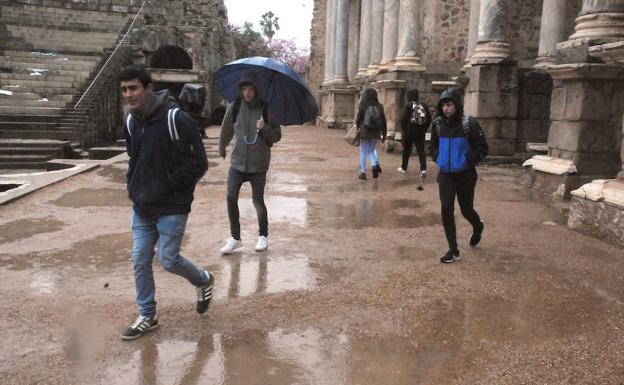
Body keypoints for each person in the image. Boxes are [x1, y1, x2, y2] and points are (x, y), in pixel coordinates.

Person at [120, 64, 214, 340]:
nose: (128, 94)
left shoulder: (176, 119)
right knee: (139, 258)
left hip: (172, 205)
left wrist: (167, 185)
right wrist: (134, 187)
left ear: (148, 89)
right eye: (124, 89)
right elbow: (134, 159)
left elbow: (199, 163)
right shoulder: (130, 121)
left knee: (169, 260)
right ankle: (147, 315)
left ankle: (203, 279)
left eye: (133, 88)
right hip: (142, 205)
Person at [218, 71, 281, 254]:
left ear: (256, 90)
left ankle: (263, 236)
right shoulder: (235, 106)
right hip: (237, 162)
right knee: (231, 197)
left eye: (251, 89)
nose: (247, 93)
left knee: (257, 200)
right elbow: (226, 129)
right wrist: (222, 147)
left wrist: (265, 128)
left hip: (258, 163)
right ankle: (235, 238)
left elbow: (277, 136)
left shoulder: (265, 109)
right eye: (244, 88)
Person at [429, 88, 488, 263]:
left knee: (466, 209)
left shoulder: (469, 124)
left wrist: (467, 159)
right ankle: (453, 250)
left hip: (465, 174)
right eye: (443, 105)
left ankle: (478, 225)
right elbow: (432, 146)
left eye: (449, 104)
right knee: (446, 209)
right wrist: (437, 157)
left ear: (456, 105)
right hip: (446, 175)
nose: (446, 108)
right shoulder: (438, 124)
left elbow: (483, 148)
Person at [398, 89, 432, 177]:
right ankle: (423, 169)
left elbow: (403, 119)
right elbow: (429, 119)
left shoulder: (408, 106)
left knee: (407, 150)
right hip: (420, 132)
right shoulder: (423, 105)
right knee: (421, 150)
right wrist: (424, 128)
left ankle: (404, 167)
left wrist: (404, 130)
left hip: (409, 132)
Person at [355, 88, 387, 180]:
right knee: (371, 150)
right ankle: (374, 166)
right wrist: (384, 134)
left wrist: (357, 126)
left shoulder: (362, 105)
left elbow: (359, 118)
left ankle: (363, 173)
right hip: (376, 132)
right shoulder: (380, 106)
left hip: (365, 131)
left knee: (363, 151)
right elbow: (384, 121)